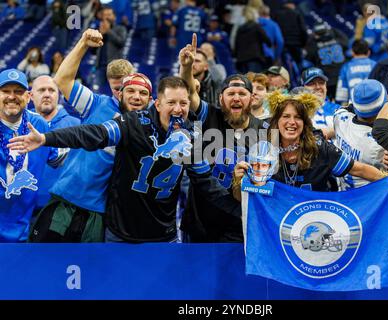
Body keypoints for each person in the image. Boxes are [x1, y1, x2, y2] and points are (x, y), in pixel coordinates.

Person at [9, 76, 240, 243]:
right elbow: (93, 134)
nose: (178, 109)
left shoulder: (192, 136)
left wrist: (242, 210)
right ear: (157, 104)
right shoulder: (132, 123)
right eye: (171, 103)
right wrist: (47, 138)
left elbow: (205, 183)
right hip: (120, 232)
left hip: (163, 234)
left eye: (183, 103)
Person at [23, 29, 138, 243]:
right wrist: (83, 43)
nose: (121, 93)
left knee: (89, 271)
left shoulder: (144, 119)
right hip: (66, 198)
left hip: (99, 210)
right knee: (41, 263)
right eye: (116, 88)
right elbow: (62, 78)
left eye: (126, 87)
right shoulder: (97, 103)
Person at [178, 35, 268, 242]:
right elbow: (189, 92)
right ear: (221, 98)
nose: (236, 98)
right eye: (230, 93)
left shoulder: (264, 130)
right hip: (201, 223)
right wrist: (186, 67)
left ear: (251, 98)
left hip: (241, 225)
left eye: (242, 93)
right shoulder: (209, 116)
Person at [232, 90, 388, 199]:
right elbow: (243, 198)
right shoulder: (261, 149)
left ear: (305, 123)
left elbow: (359, 169)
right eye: (285, 116)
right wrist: (238, 181)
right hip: (276, 227)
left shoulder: (320, 147)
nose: (291, 122)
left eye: (298, 117)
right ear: (276, 122)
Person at [0, 69, 64, 242]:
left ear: (28, 97)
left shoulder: (38, 125)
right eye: (6, 91)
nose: (12, 96)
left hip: (26, 228)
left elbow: (58, 157)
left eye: (18, 92)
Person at [30, 76, 80, 211]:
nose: (47, 94)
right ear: (31, 96)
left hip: (62, 210)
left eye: (51, 90)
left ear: (58, 95)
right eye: (41, 90)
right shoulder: (21, 125)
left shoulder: (76, 126)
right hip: (24, 209)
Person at [334, 79, 388, 190]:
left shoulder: (339, 117)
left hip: (343, 194)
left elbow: (348, 108)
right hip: (369, 201)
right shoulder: (378, 146)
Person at [305, 22, 348, 100]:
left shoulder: (314, 45)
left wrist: (313, 37)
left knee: (328, 101)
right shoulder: (338, 40)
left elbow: (309, 56)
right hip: (341, 77)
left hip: (327, 79)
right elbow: (346, 42)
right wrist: (333, 30)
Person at [301, 67, 340, 140]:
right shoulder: (296, 109)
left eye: (321, 82)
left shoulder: (338, 109)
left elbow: (351, 129)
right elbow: (275, 132)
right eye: (311, 83)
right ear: (303, 88)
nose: (318, 87)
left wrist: (330, 131)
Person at [95, 6, 127, 90]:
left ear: (114, 17)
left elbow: (121, 42)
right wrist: (100, 35)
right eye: (104, 15)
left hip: (115, 68)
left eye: (109, 14)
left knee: (116, 92)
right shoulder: (98, 30)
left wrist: (108, 31)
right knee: (99, 92)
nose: (106, 17)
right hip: (100, 67)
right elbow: (93, 50)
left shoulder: (121, 28)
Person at [335, 39, 376, 105]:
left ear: (352, 52)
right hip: (374, 105)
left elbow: (341, 96)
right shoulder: (376, 65)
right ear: (368, 52)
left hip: (354, 107)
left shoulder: (346, 67)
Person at [272, 0, 308, 71]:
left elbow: (275, 32)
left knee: (286, 70)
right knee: (299, 68)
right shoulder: (297, 13)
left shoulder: (277, 15)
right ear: (291, 5)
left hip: (284, 47)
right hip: (297, 46)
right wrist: (303, 44)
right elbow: (303, 31)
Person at [234, 6, 271, 73]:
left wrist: (236, 56)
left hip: (242, 59)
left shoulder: (240, 29)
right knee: (254, 80)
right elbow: (267, 41)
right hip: (255, 58)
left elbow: (236, 44)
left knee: (245, 81)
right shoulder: (257, 27)